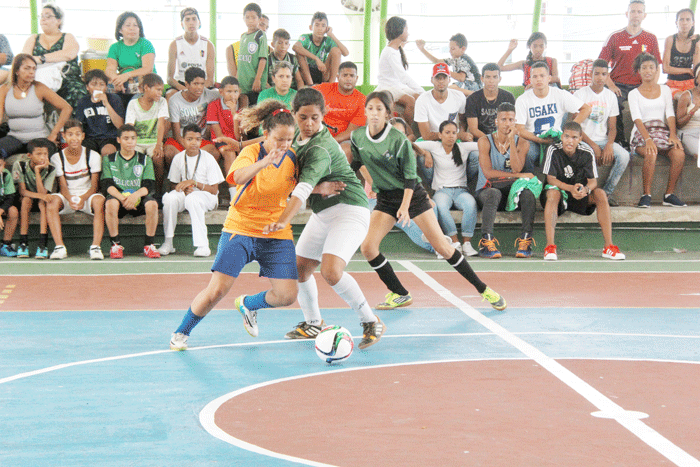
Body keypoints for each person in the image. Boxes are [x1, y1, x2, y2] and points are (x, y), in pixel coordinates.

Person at [351, 91, 506, 312]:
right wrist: (372, 182)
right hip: (386, 198)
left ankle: (484, 289)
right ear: (365, 111)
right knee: (368, 247)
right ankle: (400, 293)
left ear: (387, 114)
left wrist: (404, 207)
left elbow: (410, 178)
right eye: (371, 108)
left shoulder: (398, 141)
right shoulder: (358, 137)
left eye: (379, 109)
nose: (374, 113)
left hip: (412, 197)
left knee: (443, 247)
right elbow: (357, 163)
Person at [168, 101, 300, 350]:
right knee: (217, 291)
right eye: (279, 139)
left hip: (276, 232)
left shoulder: (294, 158)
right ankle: (181, 332)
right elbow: (237, 177)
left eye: (289, 140)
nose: (284, 145)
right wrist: (265, 162)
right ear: (266, 134)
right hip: (241, 228)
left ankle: (249, 304)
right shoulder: (251, 154)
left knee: (287, 296)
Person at [264, 88, 384, 350]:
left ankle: (371, 321)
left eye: (315, 118)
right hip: (323, 212)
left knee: (331, 271)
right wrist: (239, 145)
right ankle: (313, 322)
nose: (308, 124)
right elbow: (273, 143)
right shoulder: (295, 134)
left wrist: (283, 221)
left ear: (324, 115)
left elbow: (302, 189)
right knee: (299, 269)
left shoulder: (320, 148)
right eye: (303, 117)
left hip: (349, 209)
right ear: (294, 115)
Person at [541, 121, 625, 261]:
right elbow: (551, 180)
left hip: (578, 195)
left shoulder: (586, 152)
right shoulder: (553, 149)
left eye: (574, 137)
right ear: (562, 137)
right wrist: (569, 188)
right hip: (559, 193)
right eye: (567, 136)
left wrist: (585, 190)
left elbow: (593, 182)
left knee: (600, 193)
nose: (570, 141)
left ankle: (608, 246)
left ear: (580, 139)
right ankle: (550, 247)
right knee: (552, 193)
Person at [599, 0, 661, 147]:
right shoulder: (615, 37)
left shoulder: (650, 38)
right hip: (618, 84)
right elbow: (601, 66)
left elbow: (657, 67)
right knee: (614, 102)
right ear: (627, 14)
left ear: (644, 15)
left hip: (641, 84)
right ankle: (620, 141)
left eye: (639, 12)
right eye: (633, 11)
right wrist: (611, 86)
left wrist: (651, 86)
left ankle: (647, 140)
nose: (636, 15)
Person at [475, 103, 534, 259]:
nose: (507, 123)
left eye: (511, 120)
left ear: (515, 122)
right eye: (503, 119)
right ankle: (486, 242)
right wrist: (518, 176)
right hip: (487, 191)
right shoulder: (484, 141)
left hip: (510, 193)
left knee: (528, 194)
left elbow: (516, 168)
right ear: (496, 122)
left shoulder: (522, 142)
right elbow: (488, 174)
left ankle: (525, 241)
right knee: (494, 193)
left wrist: (511, 141)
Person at [628, 53, 687, 208]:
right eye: (644, 68)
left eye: (651, 67)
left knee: (679, 154)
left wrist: (673, 135)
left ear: (656, 70)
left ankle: (669, 195)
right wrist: (648, 140)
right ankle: (646, 195)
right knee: (651, 153)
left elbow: (670, 113)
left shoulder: (665, 90)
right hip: (642, 133)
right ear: (639, 71)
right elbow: (637, 118)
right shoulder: (633, 94)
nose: (648, 71)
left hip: (662, 132)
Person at [159, 125, 224, 258]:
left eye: (198, 139)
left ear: (201, 141)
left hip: (207, 197)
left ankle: (202, 246)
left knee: (193, 198)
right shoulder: (178, 158)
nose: (194, 142)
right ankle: (168, 242)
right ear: (183, 140)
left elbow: (214, 190)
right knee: (170, 198)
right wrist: (182, 188)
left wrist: (194, 183)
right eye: (190, 139)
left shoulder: (208, 158)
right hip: (187, 195)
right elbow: (173, 185)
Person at [415, 121, 478, 256]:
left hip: (461, 190)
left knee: (471, 204)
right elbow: (412, 145)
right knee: (441, 207)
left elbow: (484, 146)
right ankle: (455, 242)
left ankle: (467, 243)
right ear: (440, 134)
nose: (451, 136)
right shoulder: (435, 146)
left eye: (454, 133)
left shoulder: (463, 147)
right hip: (442, 190)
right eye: (447, 133)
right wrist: (426, 153)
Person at [515, 61, 591, 172]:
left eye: (542, 76)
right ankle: (530, 182)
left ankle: (574, 184)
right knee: (528, 152)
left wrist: (569, 130)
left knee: (582, 151)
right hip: (533, 139)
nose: (539, 79)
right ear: (530, 80)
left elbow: (586, 109)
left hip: (556, 138)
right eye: (535, 76)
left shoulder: (560, 94)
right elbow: (519, 129)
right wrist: (540, 140)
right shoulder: (522, 99)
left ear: (549, 78)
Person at [573, 59, 630, 206]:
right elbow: (575, 126)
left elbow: (612, 127)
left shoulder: (610, 96)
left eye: (604, 74)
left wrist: (610, 144)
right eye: (597, 73)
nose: (600, 77)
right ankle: (583, 195)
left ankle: (606, 193)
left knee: (624, 156)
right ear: (591, 74)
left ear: (607, 76)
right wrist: (593, 145)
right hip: (583, 140)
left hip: (604, 139)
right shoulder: (580, 94)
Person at [46, 120, 105, 260]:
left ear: (83, 136)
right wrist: (70, 199)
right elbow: (63, 186)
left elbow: (94, 186)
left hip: (87, 196)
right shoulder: (57, 157)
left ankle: (96, 247)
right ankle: (60, 247)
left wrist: (83, 198)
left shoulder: (93, 155)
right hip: (67, 197)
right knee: (51, 201)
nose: (74, 138)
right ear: (64, 136)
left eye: (78, 134)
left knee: (99, 201)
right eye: (70, 134)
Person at [101, 124, 160, 259]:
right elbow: (107, 185)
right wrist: (123, 199)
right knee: (110, 204)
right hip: (119, 197)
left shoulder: (144, 159)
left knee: (152, 204)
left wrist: (135, 196)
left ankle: (149, 245)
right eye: (126, 138)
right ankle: (115, 245)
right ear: (119, 140)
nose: (130, 141)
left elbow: (149, 185)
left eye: (133, 138)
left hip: (137, 197)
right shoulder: (109, 159)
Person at [0, 54, 72, 163]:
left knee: (40, 156)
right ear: (16, 71)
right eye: (27, 68)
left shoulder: (39, 88)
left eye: (34, 69)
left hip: (38, 139)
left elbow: (67, 108)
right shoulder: (5, 89)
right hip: (14, 138)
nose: (31, 72)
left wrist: (53, 134)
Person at [21, 4, 88, 109]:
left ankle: (75, 125)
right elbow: (25, 59)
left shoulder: (68, 37)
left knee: (77, 92)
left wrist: (41, 59)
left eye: (48, 16)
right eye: (41, 16)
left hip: (66, 80)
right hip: (39, 80)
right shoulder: (33, 38)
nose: (43, 19)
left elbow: (69, 54)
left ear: (58, 20)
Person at [465, 63, 516, 184]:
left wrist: (502, 142)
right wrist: (492, 143)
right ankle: (472, 185)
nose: (491, 81)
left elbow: (511, 123)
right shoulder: (473, 99)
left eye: (494, 77)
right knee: (474, 157)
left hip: (505, 140)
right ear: (482, 79)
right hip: (482, 140)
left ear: (500, 79)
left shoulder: (508, 97)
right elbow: (473, 129)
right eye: (488, 77)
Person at [164, 67, 220, 175]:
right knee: (169, 153)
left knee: (215, 153)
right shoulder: (175, 100)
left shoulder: (209, 94)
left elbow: (226, 94)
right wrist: (190, 148)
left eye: (202, 84)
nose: (199, 88)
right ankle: (176, 180)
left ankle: (203, 182)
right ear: (187, 84)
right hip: (180, 139)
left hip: (200, 139)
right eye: (195, 84)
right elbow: (176, 133)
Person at [12, 138, 57, 259]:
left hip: (40, 198)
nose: (42, 157)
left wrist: (38, 171)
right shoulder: (20, 165)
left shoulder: (51, 168)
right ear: (29, 155)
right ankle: (23, 244)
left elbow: (43, 192)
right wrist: (41, 196)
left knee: (43, 203)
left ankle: (42, 245)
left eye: (45, 154)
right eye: (39, 154)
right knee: (27, 201)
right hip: (25, 198)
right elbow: (22, 191)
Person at [375, 16, 424, 125]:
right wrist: (422, 91)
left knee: (419, 98)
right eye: (406, 30)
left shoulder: (396, 49)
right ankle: (408, 131)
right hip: (387, 87)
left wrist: (421, 93)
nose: (408, 33)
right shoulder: (390, 52)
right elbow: (403, 77)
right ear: (399, 31)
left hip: (397, 85)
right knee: (411, 101)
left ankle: (420, 130)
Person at [124, 73, 168, 194]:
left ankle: (158, 192)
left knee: (158, 158)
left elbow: (161, 124)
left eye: (161, 90)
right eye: (158, 90)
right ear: (147, 88)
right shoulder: (133, 104)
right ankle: (135, 192)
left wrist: (159, 145)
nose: (160, 93)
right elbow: (130, 127)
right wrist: (130, 147)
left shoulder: (162, 102)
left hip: (153, 141)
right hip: (137, 142)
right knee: (135, 160)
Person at [314, 61, 366, 160]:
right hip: (318, 135)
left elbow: (350, 132)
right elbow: (303, 95)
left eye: (352, 76)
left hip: (342, 140)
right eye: (345, 75)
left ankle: (341, 175)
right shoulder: (323, 89)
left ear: (356, 78)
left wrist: (330, 141)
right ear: (338, 77)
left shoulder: (362, 100)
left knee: (346, 149)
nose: (348, 79)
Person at [105, 11, 157, 109]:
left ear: (139, 29)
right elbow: (110, 69)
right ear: (120, 29)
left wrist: (126, 75)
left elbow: (148, 69)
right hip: (123, 83)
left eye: (135, 25)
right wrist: (117, 80)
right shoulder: (114, 47)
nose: (132, 28)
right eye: (128, 25)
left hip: (143, 82)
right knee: (102, 90)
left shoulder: (145, 44)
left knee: (135, 101)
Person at [166, 7, 215, 98]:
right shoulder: (175, 44)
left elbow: (210, 79)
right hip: (182, 83)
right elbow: (170, 78)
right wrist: (185, 89)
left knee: (217, 94)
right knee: (170, 94)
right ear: (182, 24)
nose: (191, 22)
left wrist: (198, 89)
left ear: (199, 22)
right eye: (187, 20)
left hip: (201, 84)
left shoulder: (208, 45)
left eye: (194, 19)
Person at [206, 76, 242, 201]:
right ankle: (233, 193)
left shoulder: (241, 108)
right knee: (229, 152)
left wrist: (234, 114)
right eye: (229, 91)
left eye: (235, 91)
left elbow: (238, 136)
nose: (233, 95)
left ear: (240, 92)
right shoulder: (214, 106)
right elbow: (219, 135)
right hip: (220, 140)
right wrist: (232, 144)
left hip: (238, 141)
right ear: (221, 92)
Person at [75, 69, 125, 157]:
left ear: (106, 87)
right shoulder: (83, 102)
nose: (98, 88)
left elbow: (120, 125)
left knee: (107, 152)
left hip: (110, 138)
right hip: (90, 138)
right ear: (87, 87)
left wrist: (106, 104)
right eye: (94, 84)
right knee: (87, 154)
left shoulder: (114, 99)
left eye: (102, 84)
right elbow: (79, 125)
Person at [293, 11, 349, 85]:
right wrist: (316, 59)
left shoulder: (328, 40)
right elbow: (295, 47)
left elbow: (346, 53)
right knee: (299, 52)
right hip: (307, 73)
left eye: (323, 26)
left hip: (323, 72)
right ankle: (311, 85)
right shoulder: (305, 37)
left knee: (336, 50)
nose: (320, 28)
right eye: (317, 25)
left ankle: (330, 85)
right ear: (311, 27)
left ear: (326, 28)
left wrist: (331, 34)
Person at [416, 33, 481, 96]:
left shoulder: (464, 59)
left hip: (473, 85)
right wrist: (422, 49)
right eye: (449, 48)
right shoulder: (454, 60)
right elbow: (437, 61)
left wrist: (445, 71)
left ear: (463, 49)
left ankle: (475, 94)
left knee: (449, 88)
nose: (450, 51)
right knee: (449, 89)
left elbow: (461, 78)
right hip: (465, 84)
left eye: (452, 49)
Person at [234, 3, 268, 105]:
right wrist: (236, 80)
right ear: (243, 18)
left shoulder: (260, 35)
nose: (250, 20)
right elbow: (241, 61)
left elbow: (263, 59)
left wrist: (257, 79)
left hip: (254, 84)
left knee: (254, 112)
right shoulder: (243, 36)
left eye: (253, 18)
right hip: (242, 84)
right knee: (243, 112)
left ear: (259, 19)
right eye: (247, 17)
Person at [663, 9, 700, 96]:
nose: (684, 23)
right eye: (681, 19)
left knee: (692, 98)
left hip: (691, 83)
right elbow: (665, 68)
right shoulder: (670, 40)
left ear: (693, 23)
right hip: (672, 83)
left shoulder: (696, 42)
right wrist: (687, 70)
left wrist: (698, 47)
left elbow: (696, 70)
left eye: (688, 20)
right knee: (683, 97)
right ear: (676, 22)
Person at [675, 64, 700, 158]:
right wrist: (694, 110)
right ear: (697, 79)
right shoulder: (687, 96)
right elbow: (679, 124)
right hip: (687, 133)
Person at [0, 157, 19, 257]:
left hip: (1, 205)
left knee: (13, 211)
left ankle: (6, 245)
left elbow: (10, 198)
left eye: (0, 165)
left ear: (4, 164)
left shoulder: (5, 174)